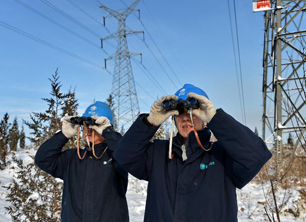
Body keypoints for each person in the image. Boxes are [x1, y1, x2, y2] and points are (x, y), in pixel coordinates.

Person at [114, 84, 272, 222]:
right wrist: (150, 122)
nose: (185, 118)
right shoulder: (158, 153)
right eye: (179, 113)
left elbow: (257, 156)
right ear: (173, 118)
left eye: (192, 111)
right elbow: (123, 155)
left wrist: (216, 118)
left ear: (204, 117)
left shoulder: (222, 155)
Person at [35, 101, 129, 222]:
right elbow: (42, 159)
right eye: (86, 126)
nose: (89, 130)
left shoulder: (116, 156)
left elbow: (128, 155)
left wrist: (108, 133)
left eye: (95, 126)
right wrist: (64, 135)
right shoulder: (73, 157)